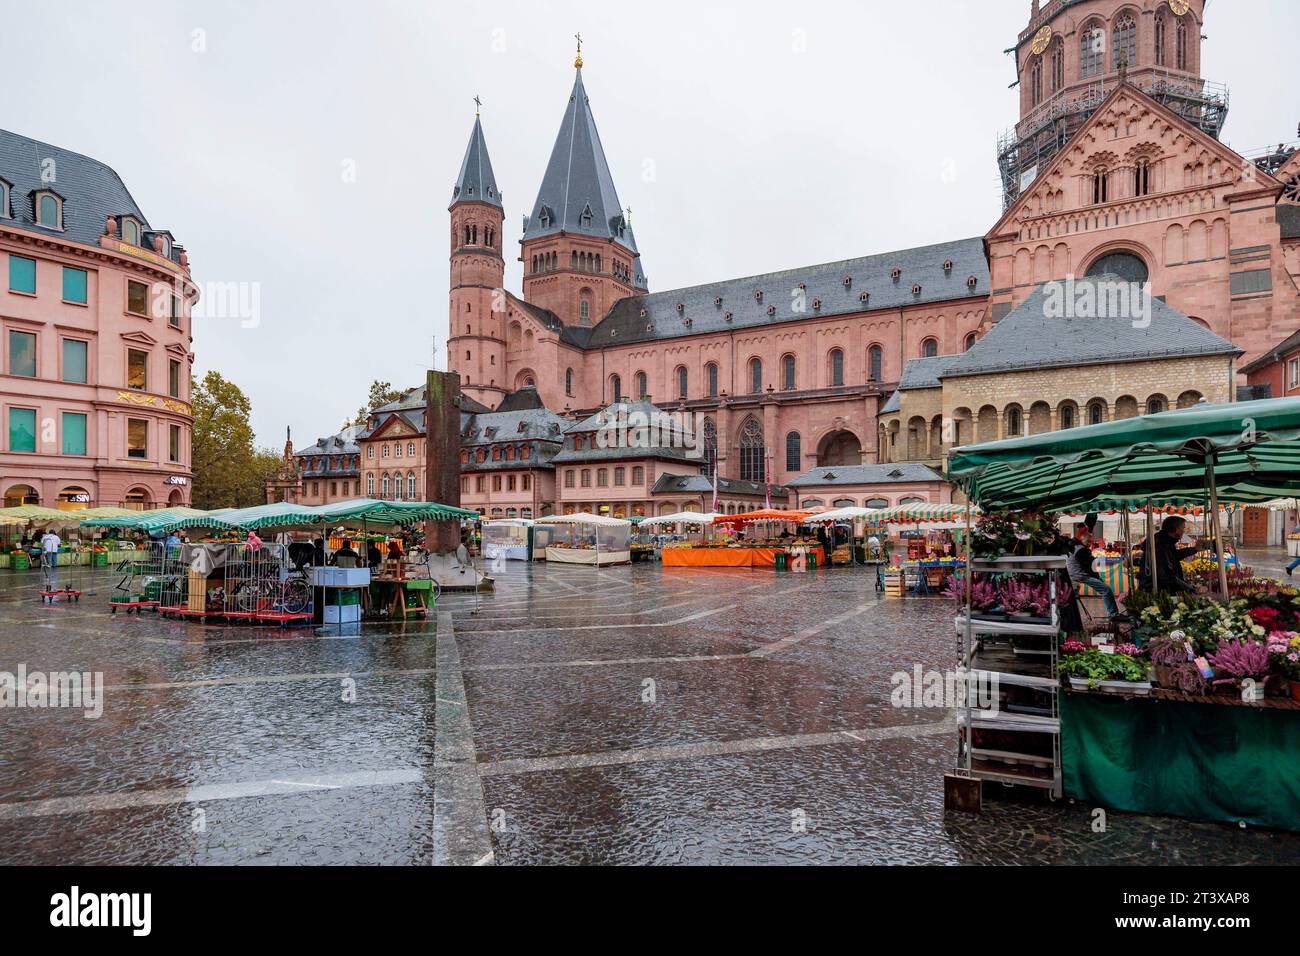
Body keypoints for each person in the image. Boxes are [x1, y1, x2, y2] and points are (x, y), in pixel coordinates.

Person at [1067, 524, 1122, 619]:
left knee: (1105, 589)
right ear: (1082, 539)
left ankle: (1113, 613)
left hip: (1075, 574)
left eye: (1091, 541)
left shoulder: (1077, 547)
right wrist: (1098, 577)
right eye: (1089, 541)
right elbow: (1090, 566)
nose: (1090, 543)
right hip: (1080, 575)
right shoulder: (1081, 550)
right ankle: (1114, 614)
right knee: (1106, 590)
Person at [1136, 515, 1202, 593]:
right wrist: (1190, 589)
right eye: (1183, 528)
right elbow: (1166, 575)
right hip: (1157, 590)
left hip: (1157, 588)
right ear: (1176, 529)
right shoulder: (1161, 544)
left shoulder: (1164, 541)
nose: (1184, 531)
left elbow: (1174, 556)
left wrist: (1194, 549)